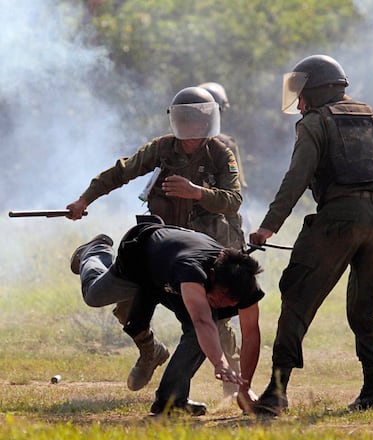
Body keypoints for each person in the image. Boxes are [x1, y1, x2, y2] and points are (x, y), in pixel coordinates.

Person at [250, 54, 373, 415]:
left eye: (302, 95)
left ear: (317, 91)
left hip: (338, 219)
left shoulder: (315, 122)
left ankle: (276, 393)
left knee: (297, 298)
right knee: (365, 309)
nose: (300, 103)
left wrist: (267, 227)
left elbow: (296, 179)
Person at [66, 86, 246, 395]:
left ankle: (235, 382)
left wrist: (197, 192)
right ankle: (150, 352)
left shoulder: (220, 154)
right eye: (184, 121)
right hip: (162, 250)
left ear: (209, 122)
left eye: (197, 121)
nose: (191, 128)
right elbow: (123, 171)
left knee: (214, 319)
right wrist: (85, 199)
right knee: (125, 309)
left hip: (204, 250)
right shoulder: (162, 149)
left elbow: (233, 199)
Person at [70, 220, 263, 415]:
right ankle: (96, 251)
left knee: (198, 335)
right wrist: (220, 363)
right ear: (211, 276)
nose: (224, 305)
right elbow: (202, 322)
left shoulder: (247, 288)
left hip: (170, 272)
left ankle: (171, 401)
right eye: (220, 297)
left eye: (231, 302)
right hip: (142, 256)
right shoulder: (192, 270)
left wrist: (245, 389)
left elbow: (251, 336)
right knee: (94, 296)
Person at [198, 81, 250, 396]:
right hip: (201, 233)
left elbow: (235, 194)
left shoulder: (224, 146)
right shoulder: (184, 145)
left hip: (221, 234)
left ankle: (232, 373)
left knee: (219, 309)